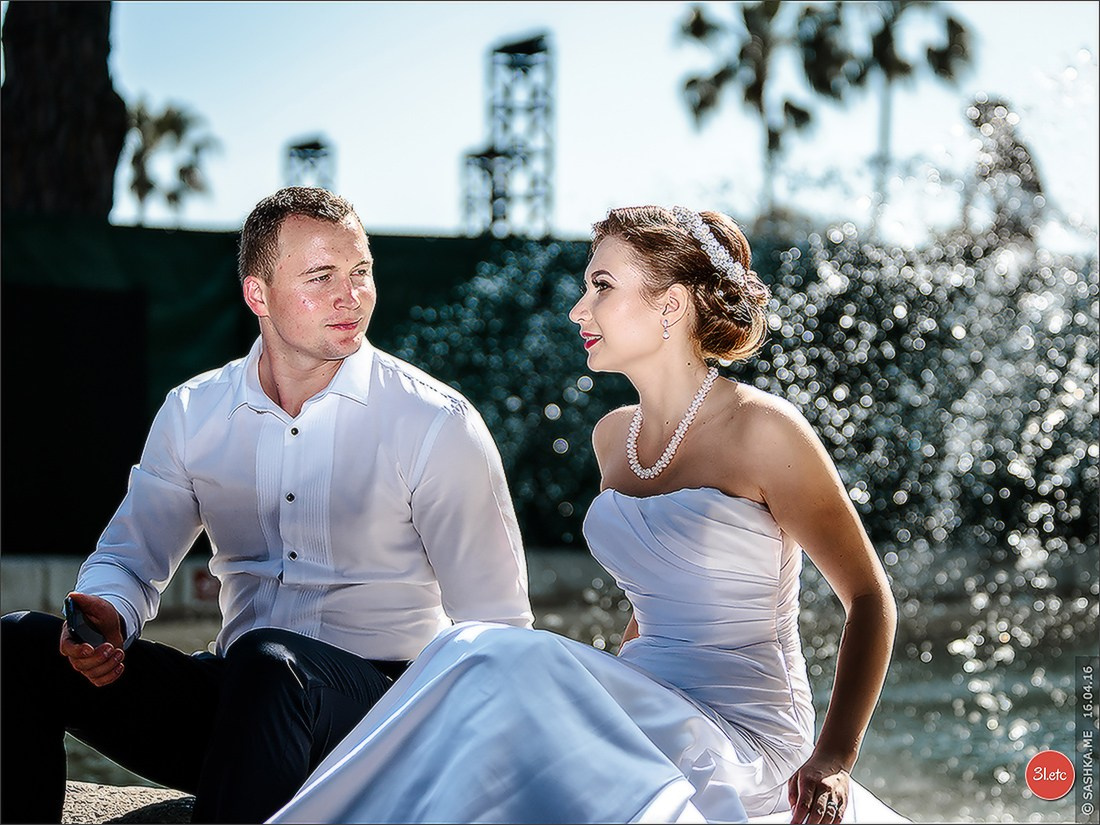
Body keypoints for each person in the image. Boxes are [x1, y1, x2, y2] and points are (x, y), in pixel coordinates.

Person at [266, 205, 905, 824]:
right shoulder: (613, 438)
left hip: (742, 735)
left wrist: (834, 757)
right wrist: (599, 694)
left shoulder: (763, 430)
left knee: (488, 651)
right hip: (649, 703)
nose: (579, 309)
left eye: (602, 286)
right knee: (480, 671)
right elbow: (656, 598)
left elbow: (870, 599)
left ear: (670, 305)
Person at [0, 186, 534, 824]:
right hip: (243, 708)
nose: (351, 295)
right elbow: (129, 557)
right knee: (17, 644)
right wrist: (106, 615)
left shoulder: (434, 421)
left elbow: (496, 628)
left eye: (361, 271)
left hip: (382, 725)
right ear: (258, 294)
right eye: (322, 276)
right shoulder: (195, 411)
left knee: (268, 664)